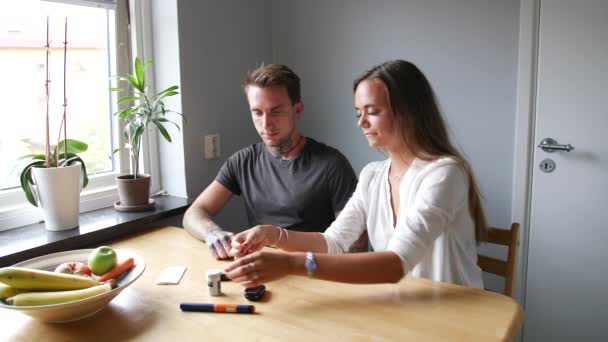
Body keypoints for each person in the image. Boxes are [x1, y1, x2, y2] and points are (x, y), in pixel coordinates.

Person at [224, 60, 487, 289]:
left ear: (409, 112)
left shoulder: (444, 174)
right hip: (402, 307)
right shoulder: (372, 176)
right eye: (358, 113)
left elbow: (395, 264)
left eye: (372, 112)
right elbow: (334, 242)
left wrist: (291, 263)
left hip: (453, 317)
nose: (361, 122)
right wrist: (271, 234)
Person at [183, 64, 360, 260]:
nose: (266, 124)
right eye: (257, 112)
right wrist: (212, 233)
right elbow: (194, 213)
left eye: (275, 112)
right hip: (261, 270)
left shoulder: (332, 165)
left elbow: (355, 244)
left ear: (297, 109)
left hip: (312, 273)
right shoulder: (243, 161)